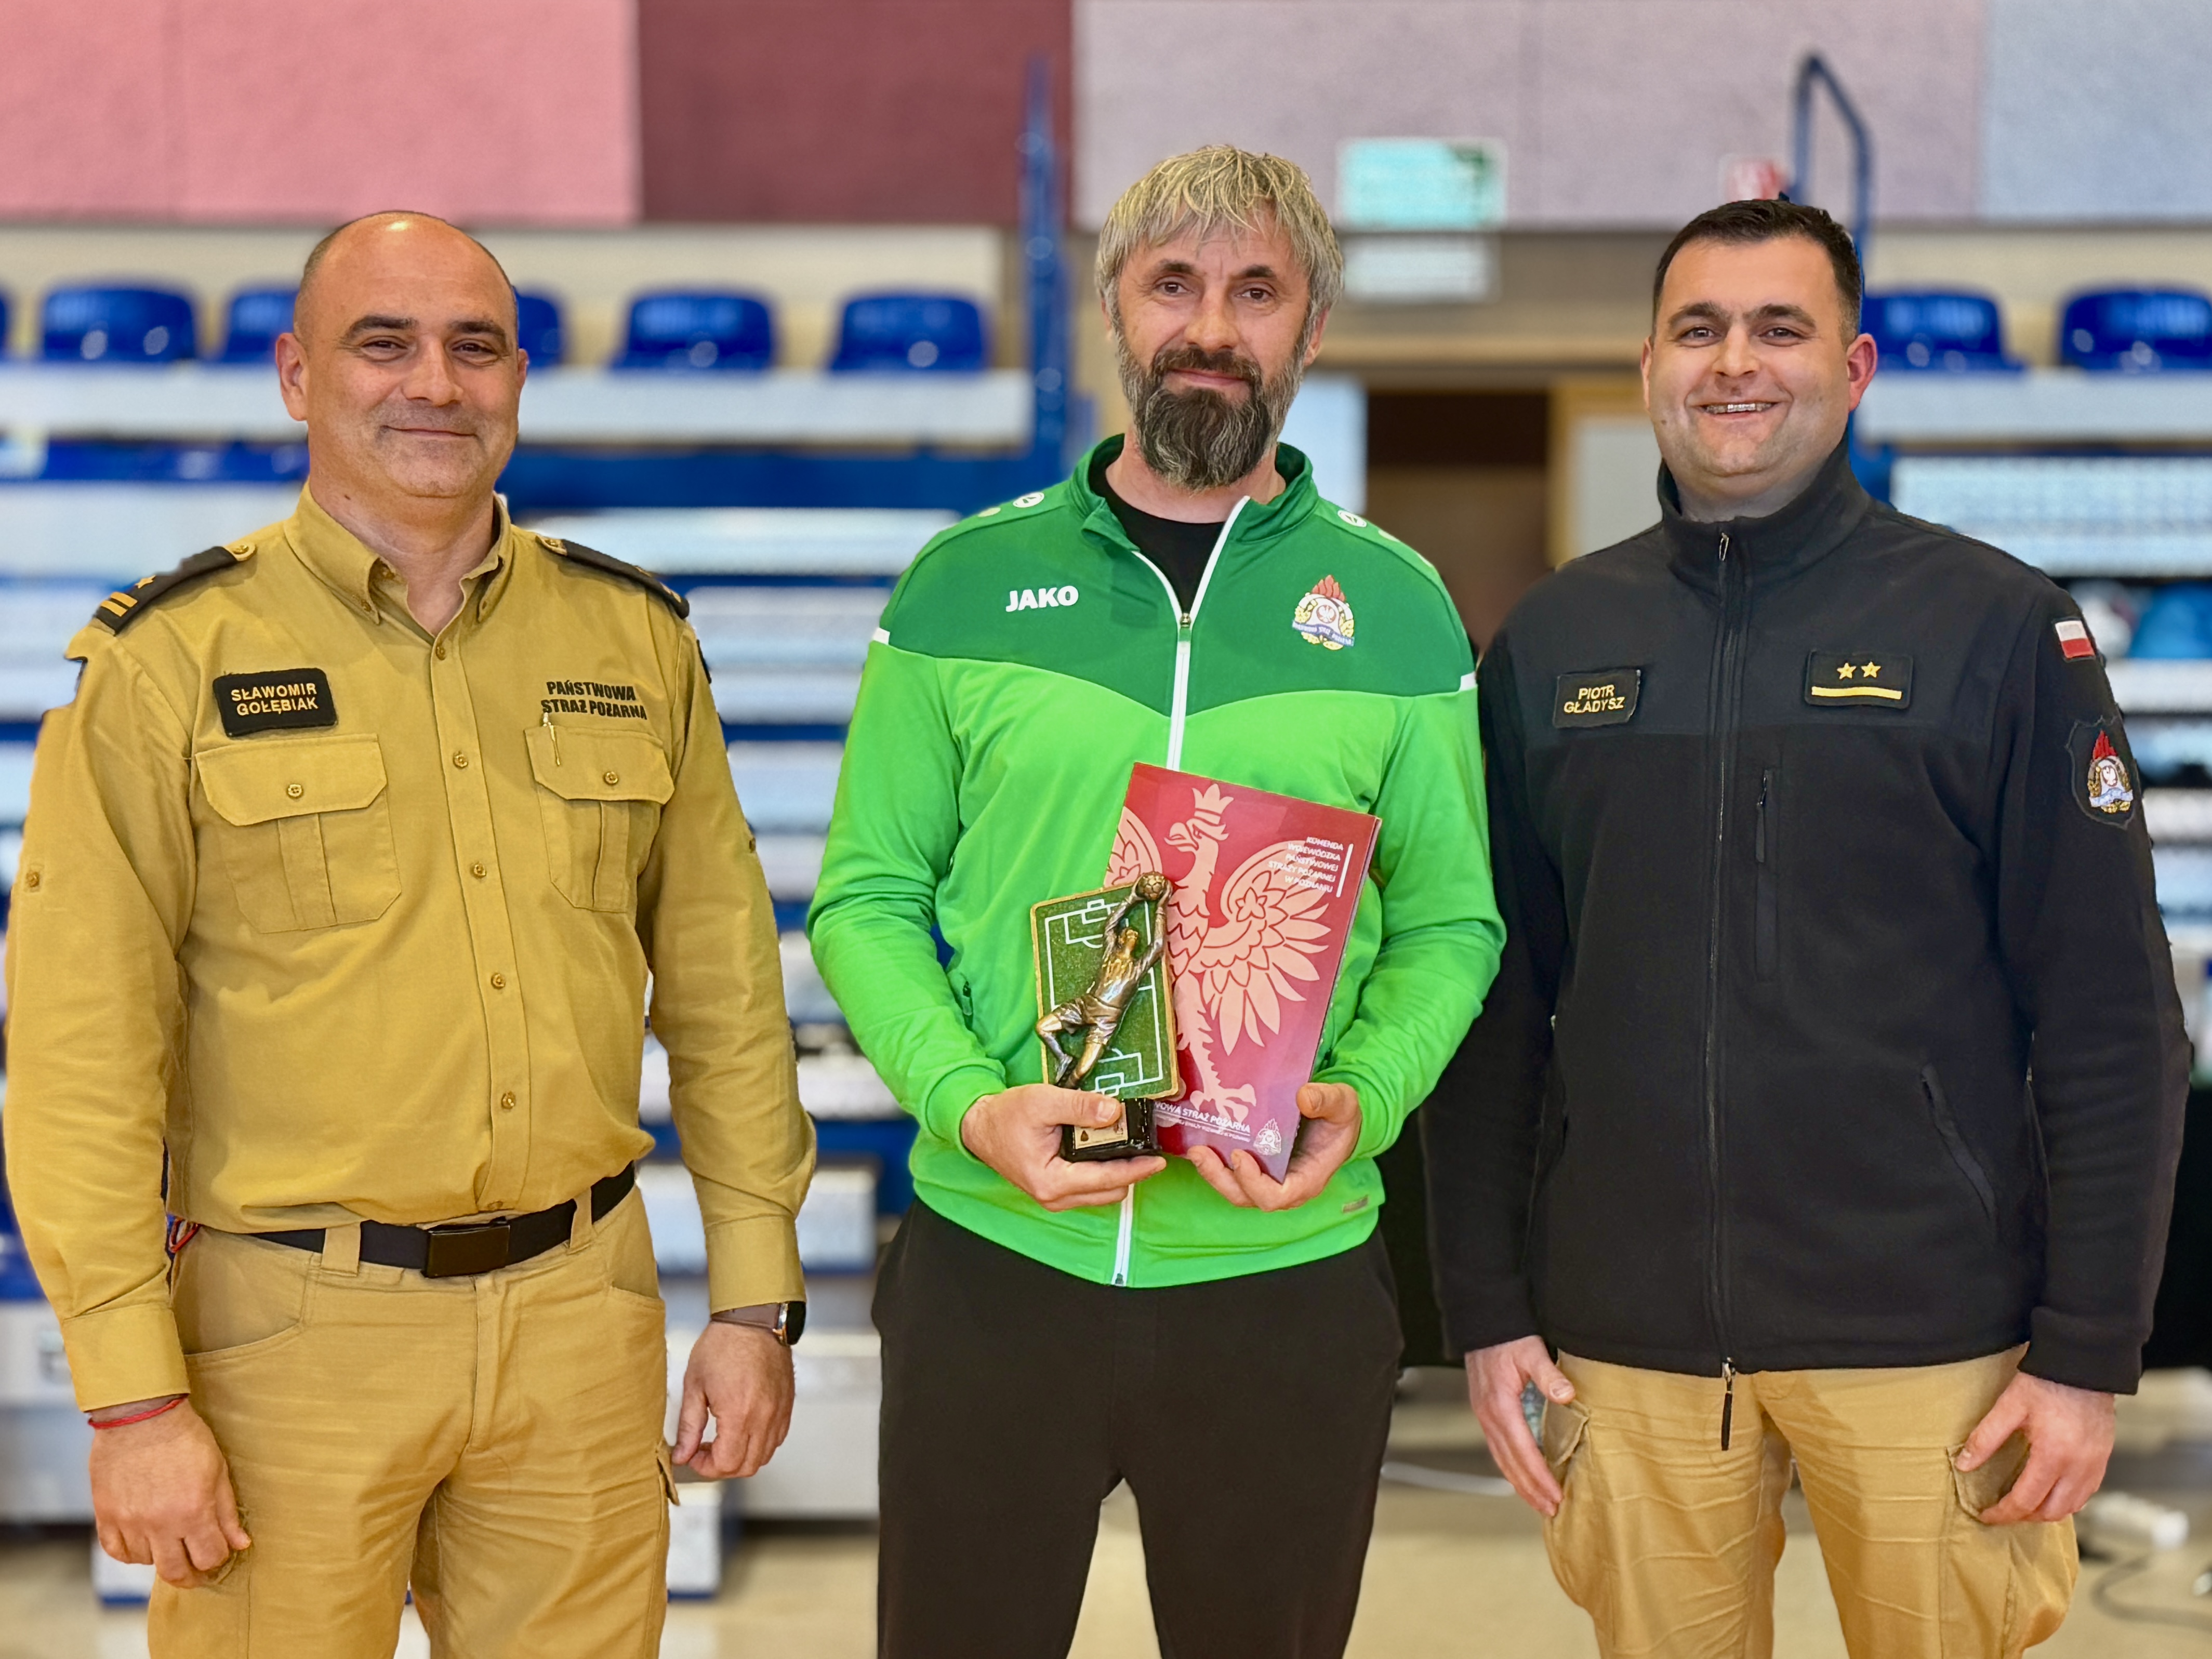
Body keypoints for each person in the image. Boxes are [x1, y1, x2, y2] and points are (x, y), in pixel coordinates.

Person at [2, 211, 815, 1657]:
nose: (435, 382)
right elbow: (81, 1054)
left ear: (518, 380)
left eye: (474, 346)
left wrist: (754, 1299)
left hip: (579, 1322)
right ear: (296, 375)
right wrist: (132, 1397)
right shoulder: (168, 659)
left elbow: (726, 993)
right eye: (384, 343)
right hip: (284, 1342)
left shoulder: (633, 640)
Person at [1424, 196, 2189, 1658]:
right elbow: (1493, 1001)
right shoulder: (1551, 643)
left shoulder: (1995, 629)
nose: (1734, 362)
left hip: (1931, 1337)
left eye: (1779, 328)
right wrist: (1486, 1307)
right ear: (1647, 363)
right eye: (1697, 328)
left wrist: (2088, 1349)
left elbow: (2108, 1013)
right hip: (1628, 1346)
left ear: (1854, 366)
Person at [809, 145, 1503, 1658]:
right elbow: (865, 897)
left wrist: (1370, 1093)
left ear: (1311, 326)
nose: (1211, 327)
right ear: (1113, 312)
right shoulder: (961, 586)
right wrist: (968, 1104)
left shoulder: (1397, 609)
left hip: (1282, 1275)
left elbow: (1455, 921)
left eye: (1257, 291)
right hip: (1000, 1260)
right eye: (1172, 284)